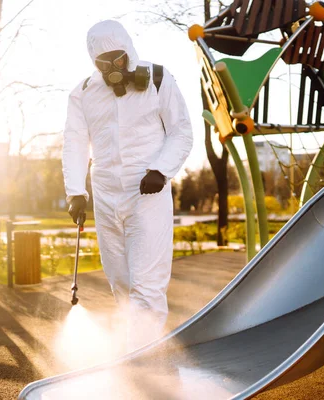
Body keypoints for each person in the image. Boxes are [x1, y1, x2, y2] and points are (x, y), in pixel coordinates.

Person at [62, 20, 193, 350]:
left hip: (147, 193)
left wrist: (160, 170)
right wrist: (76, 191)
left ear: (129, 52)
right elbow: (75, 142)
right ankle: (130, 344)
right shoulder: (83, 94)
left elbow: (181, 132)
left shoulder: (158, 79)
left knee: (146, 282)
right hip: (105, 195)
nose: (112, 68)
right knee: (119, 279)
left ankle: (146, 355)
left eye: (117, 59)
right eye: (102, 63)